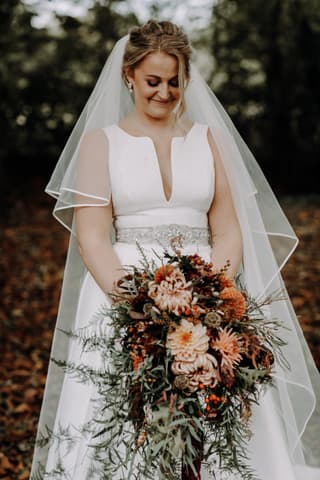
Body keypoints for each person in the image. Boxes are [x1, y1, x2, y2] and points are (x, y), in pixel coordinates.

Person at [29, 20, 320, 480]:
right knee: (123, 427)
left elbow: (227, 229)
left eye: (174, 81)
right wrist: (141, 306)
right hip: (121, 299)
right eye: (153, 81)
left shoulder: (209, 140)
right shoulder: (99, 144)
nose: (165, 92)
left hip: (208, 295)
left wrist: (209, 299)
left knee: (219, 427)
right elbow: (92, 237)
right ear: (128, 76)